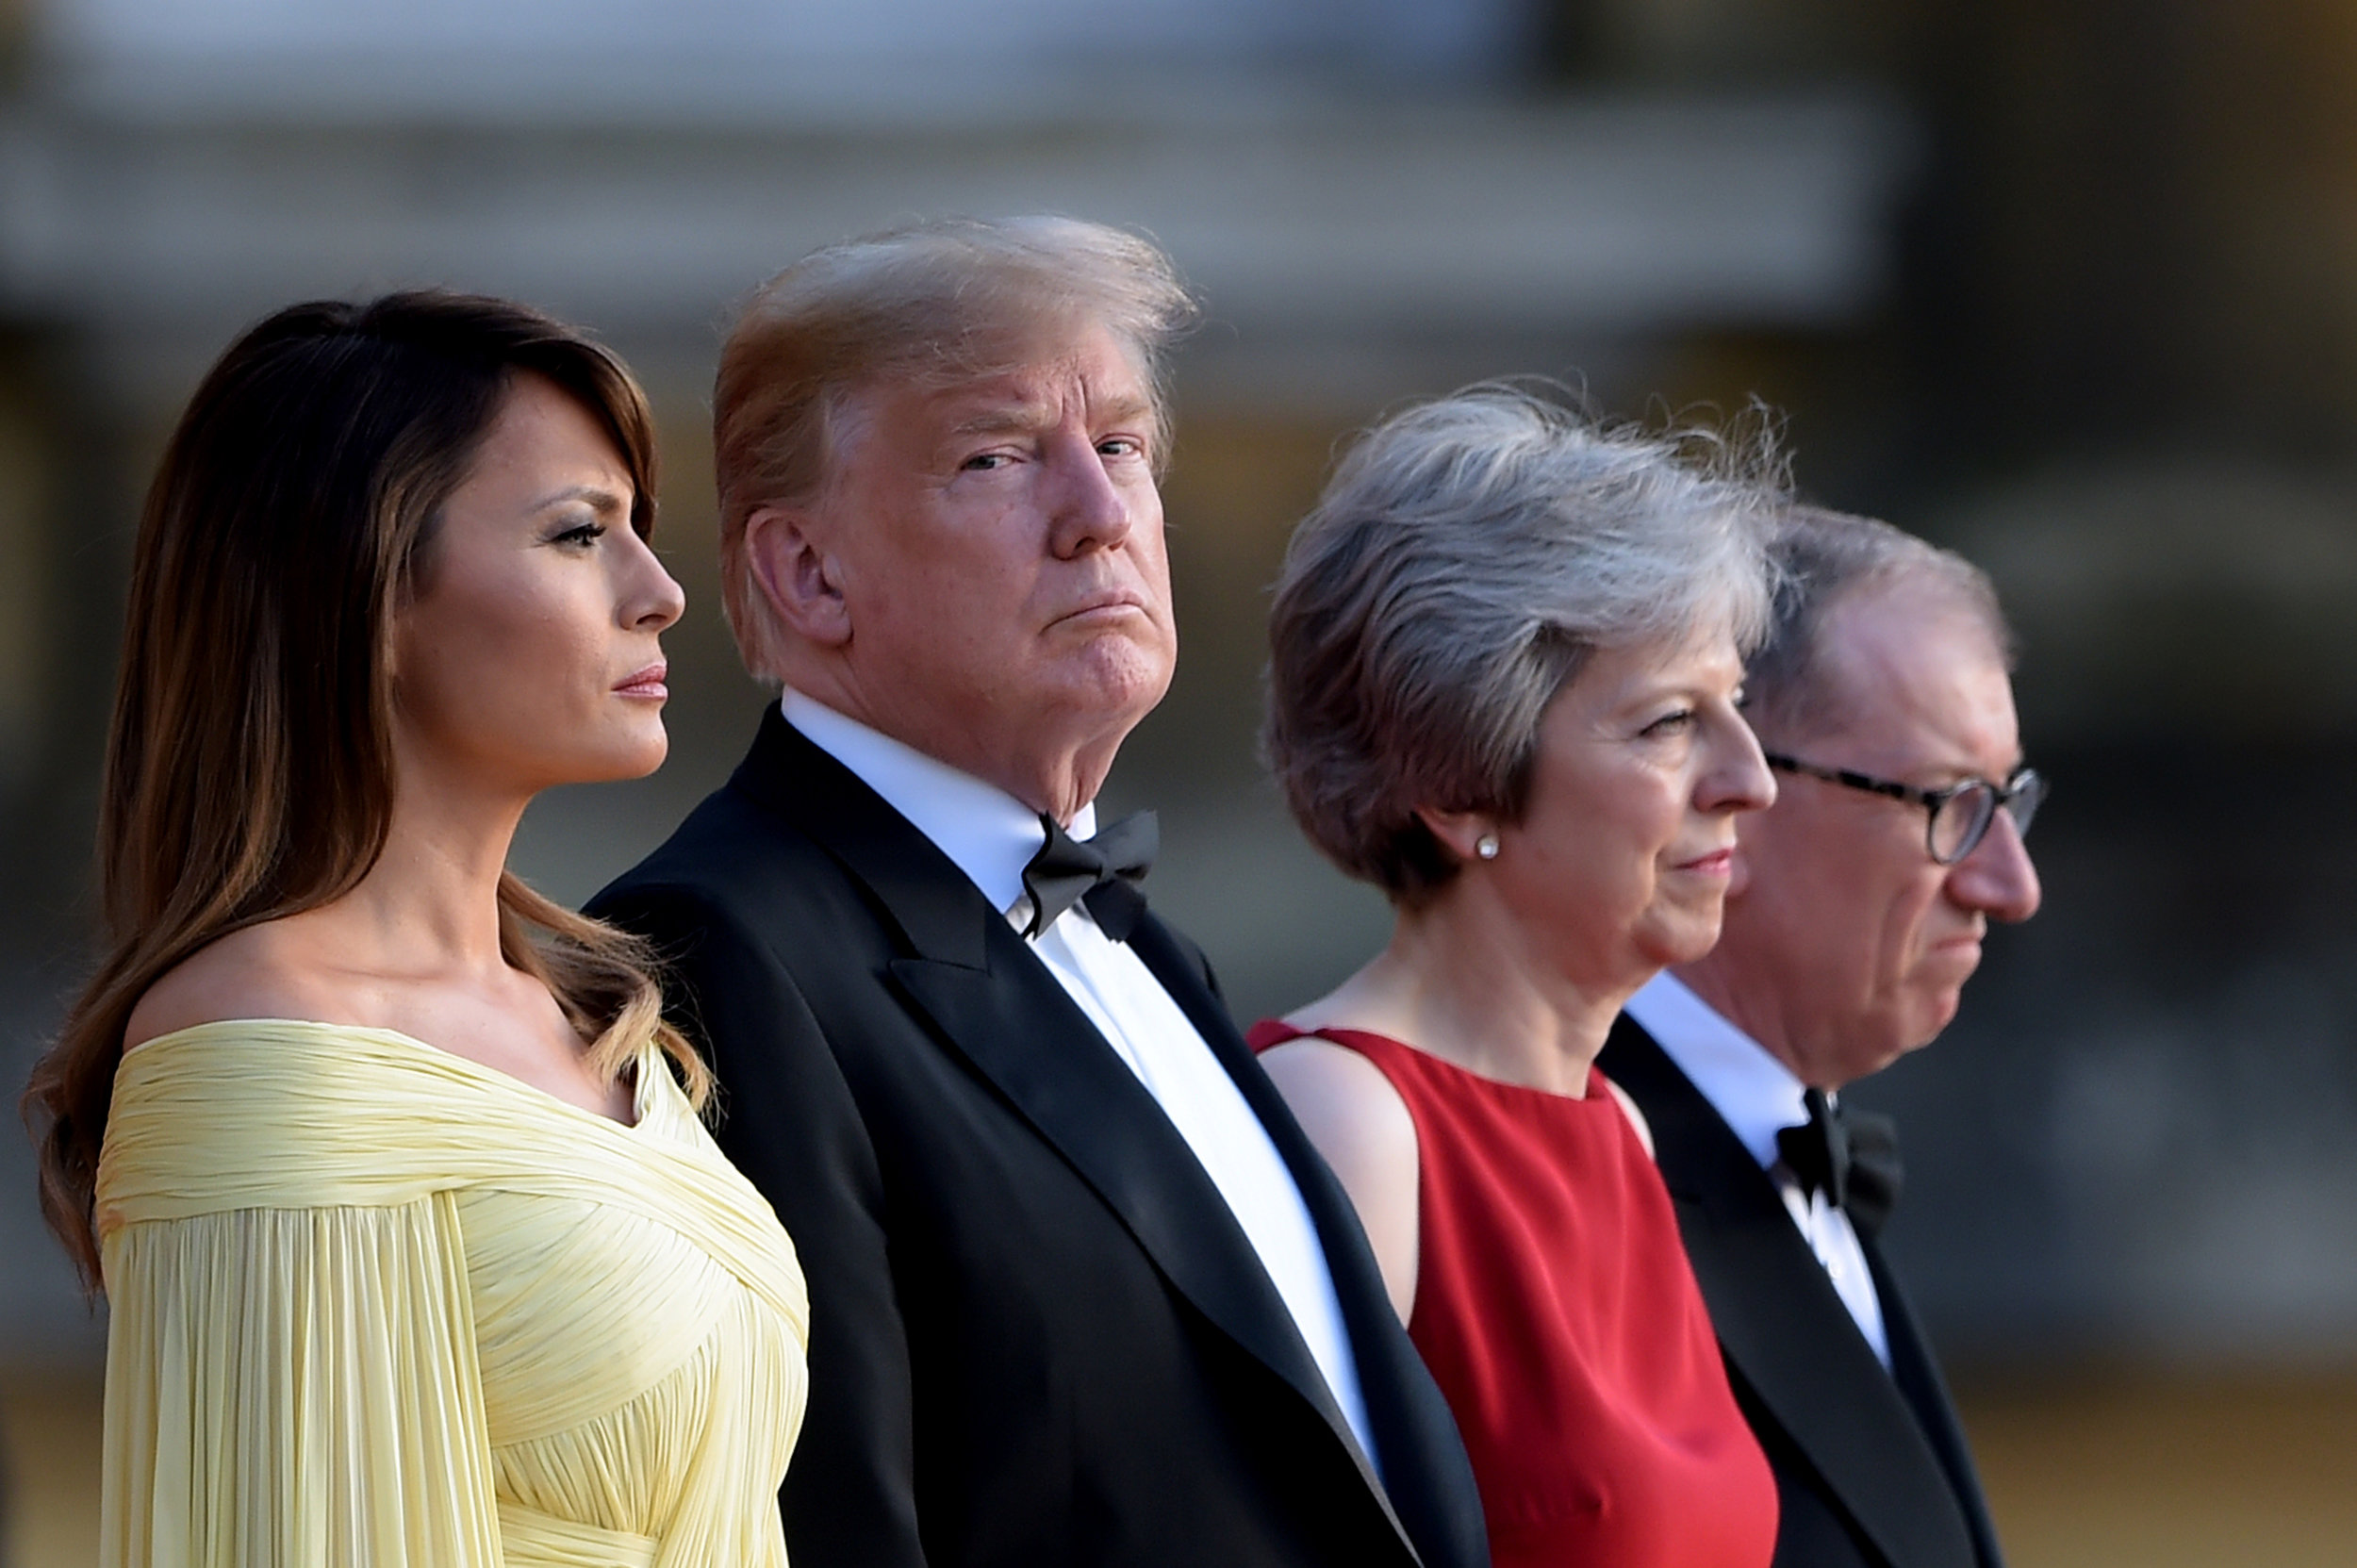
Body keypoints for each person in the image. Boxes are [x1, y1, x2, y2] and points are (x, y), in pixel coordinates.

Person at [587, 217, 1488, 1568]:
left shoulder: (1148, 945)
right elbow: (827, 1521)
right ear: (807, 571)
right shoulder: (719, 947)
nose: (1099, 514)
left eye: (1120, 445)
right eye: (998, 457)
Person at [23, 292, 809, 1567]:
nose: (660, 592)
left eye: (640, 533)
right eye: (577, 534)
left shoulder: (602, 1022)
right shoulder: (269, 1048)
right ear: (367, 593)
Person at [1252, 386, 1786, 1568]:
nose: (1749, 777)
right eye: (1665, 725)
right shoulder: (1346, 1122)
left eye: (1732, 708)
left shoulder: (1620, 1128)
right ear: (1457, 784)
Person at [1598, 504, 2043, 1568]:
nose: (2008, 885)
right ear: (1729, 789)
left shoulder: (1790, 1141)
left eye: (2008, 802)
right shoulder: (1555, 1165)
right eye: (1947, 805)